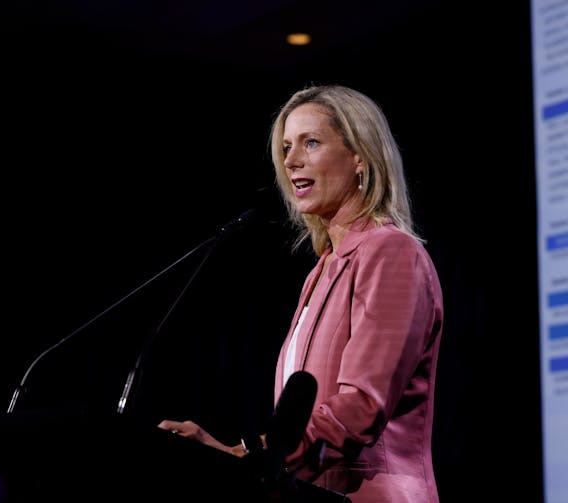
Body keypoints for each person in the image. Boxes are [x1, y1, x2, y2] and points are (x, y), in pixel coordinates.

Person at [159, 84, 444, 503]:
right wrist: (229, 452)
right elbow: (298, 424)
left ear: (360, 157)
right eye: (288, 146)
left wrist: (249, 454)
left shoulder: (392, 253)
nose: (291, 161)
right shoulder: (322, 270)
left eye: (311, 143)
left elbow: (363, 404)